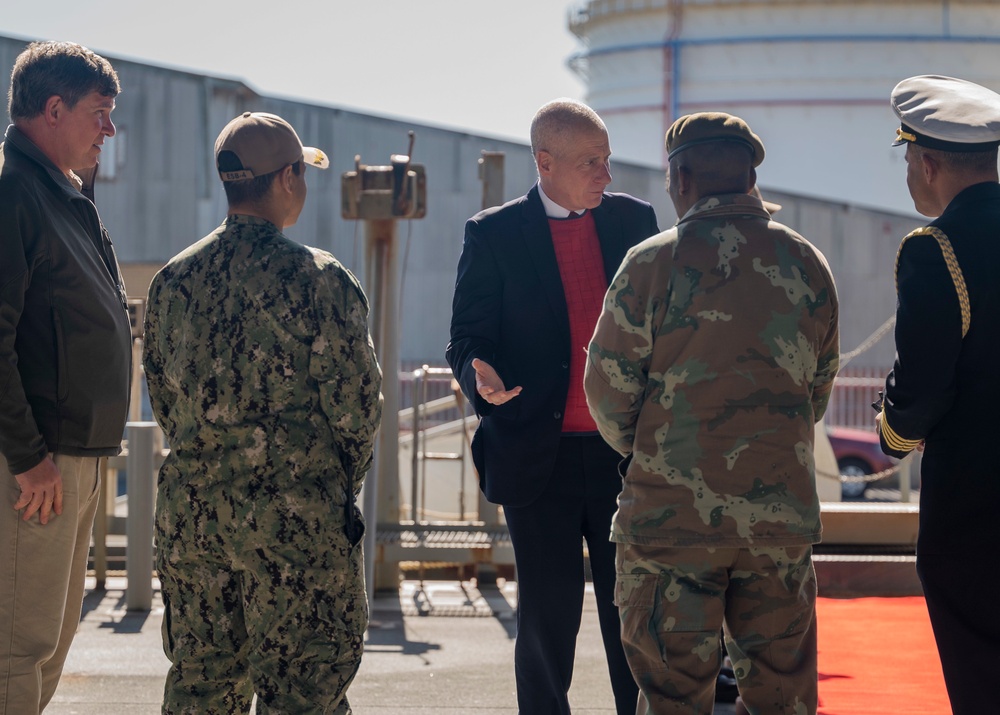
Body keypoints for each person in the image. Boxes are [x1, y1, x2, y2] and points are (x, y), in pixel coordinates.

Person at [584, 112, 840, 714]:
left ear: (681, 178)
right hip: (777, 520)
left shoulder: (651, 263)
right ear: (751, 176)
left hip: (672, 524)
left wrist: (655, 449)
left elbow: (609, 390)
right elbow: (817, 389)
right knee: (783, 695)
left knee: (672, 695)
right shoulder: (807, 263)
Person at [143, 111, 383, 714]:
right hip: (296, 526)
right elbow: (357, 411)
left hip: (195, 524)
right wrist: (333, 489)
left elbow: (166, 404)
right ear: (289, 177)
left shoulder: (172, 282)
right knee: (305, 694)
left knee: (201, 688)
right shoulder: (319, 279)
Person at [446, 98, 659, 714]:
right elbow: (468, 336)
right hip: (539, 456)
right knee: (547, 616)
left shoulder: (636, 222)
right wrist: (475, 374)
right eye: (593, 162)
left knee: (636, 614)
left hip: (627, 455)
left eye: (608, 159)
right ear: (545, 162)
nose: (606, 174)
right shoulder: (492, 233)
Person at [0, 41, 131, 714]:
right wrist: (28, 458)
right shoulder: (14, 191)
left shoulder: (63, 194)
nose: (109, 130)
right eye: (99, 113)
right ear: (54, 109)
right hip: (39, 464)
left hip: (74, 455)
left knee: (51, 637)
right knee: (18, 647)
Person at [876, 75, 1000, 715]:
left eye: (906, 159)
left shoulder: (936, 250)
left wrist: (892, 436)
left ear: (926, 163)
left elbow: (919, 394)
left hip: (978, 515)